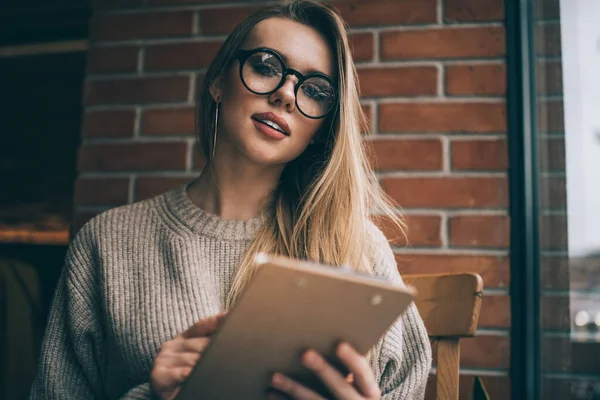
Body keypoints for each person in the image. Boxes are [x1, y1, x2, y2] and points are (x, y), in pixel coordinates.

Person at [29, 0, 432, 399]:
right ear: (219, 81)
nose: (287, 96)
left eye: (315, 90)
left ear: (322, 129)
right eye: (266, 66)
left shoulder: (359, 248)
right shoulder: (105, 243)